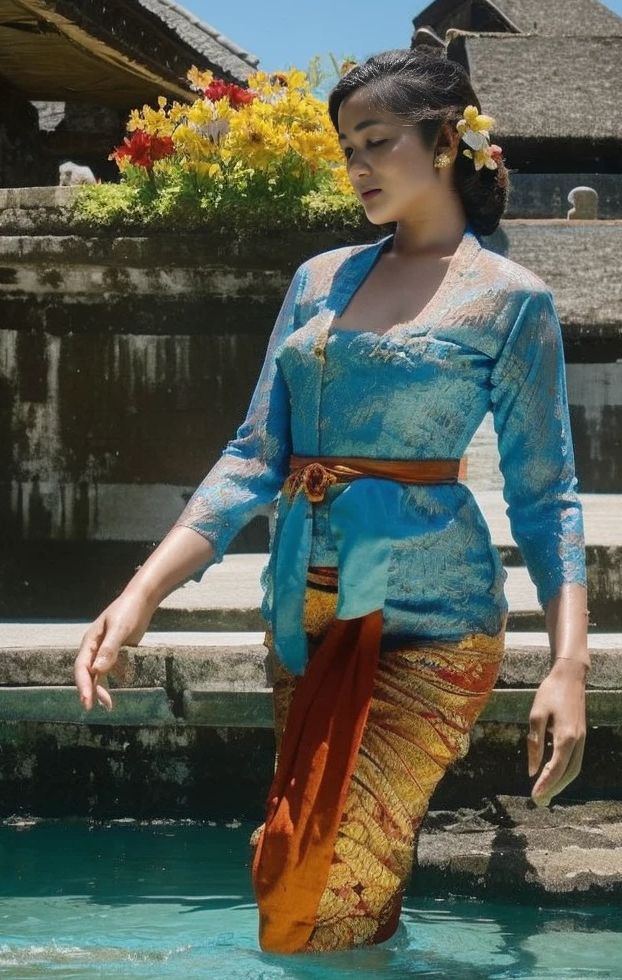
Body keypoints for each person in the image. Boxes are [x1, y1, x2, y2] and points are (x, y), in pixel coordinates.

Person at [74, 48, 590, 955]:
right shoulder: (319, 281)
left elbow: (548, 502)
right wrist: (141, 593)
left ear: (445, 141)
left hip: (432, 629)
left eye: (376, 142)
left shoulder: (512, 302)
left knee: (313, 883)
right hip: (304, 618)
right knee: (339, 873)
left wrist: (568, 667)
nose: (355, 167)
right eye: (346, 146)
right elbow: (252, 457)